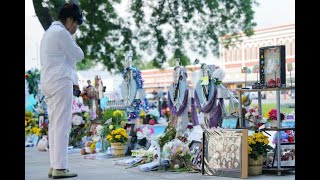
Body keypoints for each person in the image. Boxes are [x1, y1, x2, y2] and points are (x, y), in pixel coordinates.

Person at [40, 2, 84, 179]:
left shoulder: (50, 32)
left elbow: (67, 59)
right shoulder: (61, 33)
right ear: (69, 19)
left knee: (54, 124)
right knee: (62, 125)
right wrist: (72, 39)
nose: (75, 29)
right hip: (59, 82)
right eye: (75, 24)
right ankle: (60, 167)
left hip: (49, 82)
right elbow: (78, 55)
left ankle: (54, 165)